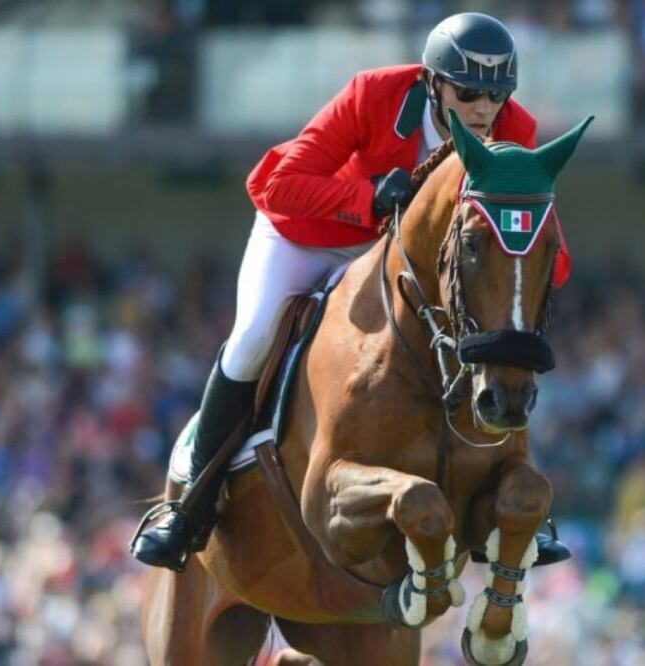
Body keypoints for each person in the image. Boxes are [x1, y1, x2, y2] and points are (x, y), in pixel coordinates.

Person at [131, 12, 571, 571]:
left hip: (397, 261)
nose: (485, 110)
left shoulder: (515, 131)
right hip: (313, 234)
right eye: (469, 93)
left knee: (485, 343)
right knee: (252, 336)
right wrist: (366, 198)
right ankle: (191, 501)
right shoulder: (374, 95)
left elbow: (532, 245)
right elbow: (273, 183)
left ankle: (508, 494)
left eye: (497, 95)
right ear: (433, 83)